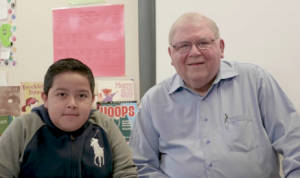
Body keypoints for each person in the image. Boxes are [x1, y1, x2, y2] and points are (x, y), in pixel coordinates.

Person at [129, 12, 300, 178]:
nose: (194, 52)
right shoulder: (153, 102)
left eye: (203, 43)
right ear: (171, 55)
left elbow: (294, 142)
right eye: (183, 45)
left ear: (221, 47)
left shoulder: (255, 80)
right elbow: (142, 166)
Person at [0, 58, 138, 177]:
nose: (72, 104)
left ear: (92, 101)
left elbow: (126, 172)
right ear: (45, 98)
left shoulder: (105, 126)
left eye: (82, 95)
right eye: (62, 95)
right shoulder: (23, 128)